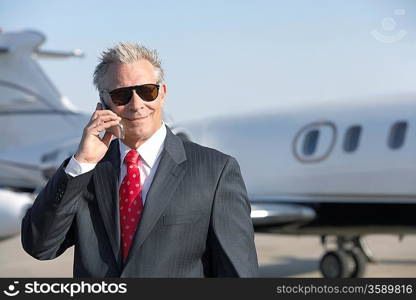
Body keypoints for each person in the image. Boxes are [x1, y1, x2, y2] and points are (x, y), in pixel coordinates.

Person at [21, 43, 259, 277]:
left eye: (147, 91)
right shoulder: (85, 172)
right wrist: (81, 162)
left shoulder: (216, 171)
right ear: (103, 103)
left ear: (162, 93)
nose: (136, 105)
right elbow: (40, 246)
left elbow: (238, 274)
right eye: (122, 95)